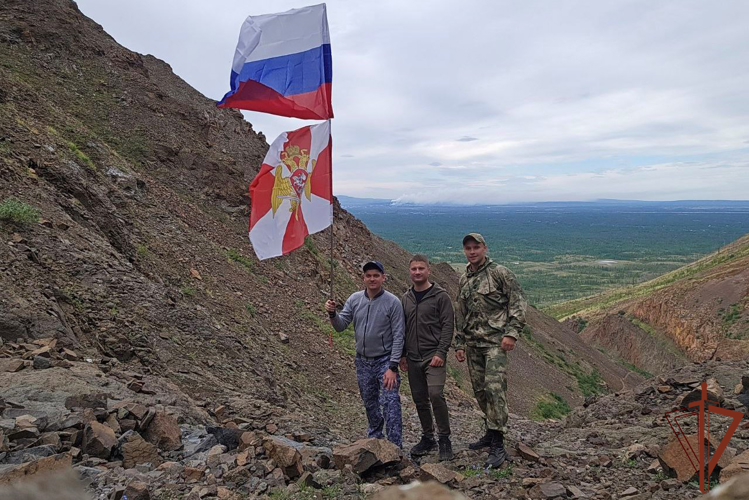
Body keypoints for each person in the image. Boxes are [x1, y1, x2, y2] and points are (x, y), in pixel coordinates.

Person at [454, 233, 527, 468]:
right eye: (468, 248)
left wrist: (511, 333)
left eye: (476, 247)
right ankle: (489, 431)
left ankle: (498, 443)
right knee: (480, 391)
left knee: (495, 389)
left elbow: (517, 301)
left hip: (495, 342)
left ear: (484, 248)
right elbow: (461, 312)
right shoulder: (464, 277)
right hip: (473, 344)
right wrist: (460, 343)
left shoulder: (500, 273)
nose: (472, 251)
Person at [325, 261, 405, 447]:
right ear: (363, 278)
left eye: (376, 275)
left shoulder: (393, 302)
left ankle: (395, 446)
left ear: (383, 278)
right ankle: (375, 439)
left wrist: (393, 366)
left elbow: (399, 334)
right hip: (362, 361)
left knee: (390, 402)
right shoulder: (355, 299)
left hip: (385, 360)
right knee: (370, 402)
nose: (372, 279)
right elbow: (340, 326)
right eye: (368, 275)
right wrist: (332, 314)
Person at [400, 254, 455, 460]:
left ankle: (445, 439)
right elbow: (402, 328)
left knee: (435, 394)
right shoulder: (406, 298)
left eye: (421, 268)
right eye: (414, 269)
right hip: (413, 357)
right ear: (410, 271)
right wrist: (403, 355)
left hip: (434, 356)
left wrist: (441, 352)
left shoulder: (441, 296)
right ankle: (427, 437)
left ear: (428, 271)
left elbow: (448, 325)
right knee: (419, 399)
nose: (417, 272)